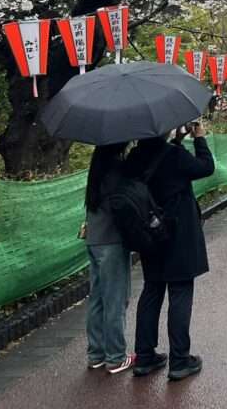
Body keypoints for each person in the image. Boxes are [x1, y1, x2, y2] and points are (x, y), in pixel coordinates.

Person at [127, 122, 215, 382]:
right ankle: (179, 360)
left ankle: (144, 356)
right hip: (179, 233)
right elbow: (205, 167)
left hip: (150, 233)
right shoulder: (174, 156)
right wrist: (199, 138)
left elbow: (158, 173)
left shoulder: (134, 158)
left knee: (152, 290)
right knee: (180, 291)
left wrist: (176, 142)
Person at [83, 143, 133, 373]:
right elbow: (122, 205)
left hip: (93, 237)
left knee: (97, 298)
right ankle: (116, 356)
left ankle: (96, 354)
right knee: (115, 298)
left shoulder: (96, 170)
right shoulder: (116, 171)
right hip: (111, 240)